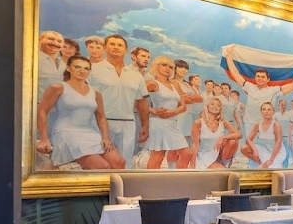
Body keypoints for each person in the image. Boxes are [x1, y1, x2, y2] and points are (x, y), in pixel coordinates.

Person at [36, 55, 124, 170]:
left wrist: (106, 137)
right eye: (77, 67)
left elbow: (101, 116)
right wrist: (44, 138)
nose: (82, 71)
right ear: (68, 68)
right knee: (103, 166)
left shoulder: (95, 92)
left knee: (120, 162)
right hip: (67, 133)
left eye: (86, 68)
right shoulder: (58, 87)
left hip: (90, 133)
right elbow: (42, 111)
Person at [88, 34, 149, 169]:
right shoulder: (93, 69)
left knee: (125, 163)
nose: (116, 47)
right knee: (102, 163)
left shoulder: (136, 75)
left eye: (120, 45)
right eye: (112, 44)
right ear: (105, 48)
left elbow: (141, 102)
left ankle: (123, 184)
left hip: (128, 124)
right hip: (100, 123)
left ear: (126, 50)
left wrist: (145, 125)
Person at [223, 47, 293, 138]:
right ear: (255, 78)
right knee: (249, 146)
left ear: (268, 79)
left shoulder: (274, 90)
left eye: (263, 77)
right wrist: (228, 55)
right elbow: (235, 73)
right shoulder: (249, 87)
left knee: (263, 146)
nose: (260, 78)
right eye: (258, 76)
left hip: (265, 125)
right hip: (249, 124)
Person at [143, 56, 189, 169]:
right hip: (158, 123)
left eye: (171, 67)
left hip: (172, 123)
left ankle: (177, 178)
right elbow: (136, 100)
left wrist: (173, 112)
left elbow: (183, 106)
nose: (168, 68)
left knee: (187, 154)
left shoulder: (175, 84)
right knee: (158, 154)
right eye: (164, 65)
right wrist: (153, 111)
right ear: (156, 66)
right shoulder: (152, 83)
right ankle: (150, 179)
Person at [189, 96, 240, 169]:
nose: (215, 106)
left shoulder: (223, 122)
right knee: (222, 171)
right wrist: (192, 164)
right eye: (212, 104)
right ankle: (220, 167)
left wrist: (223, 137)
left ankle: (224, 163)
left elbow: (239, 134)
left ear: (220, 109)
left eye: (218, 105)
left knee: (232, 141)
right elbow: (195, 144)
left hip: (220, 154)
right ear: (207, 106)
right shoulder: (198, 122)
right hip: (205, 155)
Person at [242, 101, 285, 168]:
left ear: (273, 112)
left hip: (277, 153)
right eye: (264, 109)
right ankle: (260, 162)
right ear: (261, 111)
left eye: (269, 109)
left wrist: (271, 160)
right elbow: (248, 139)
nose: (266, 112)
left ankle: (268, 164)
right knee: (244, 148)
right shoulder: (258, 125)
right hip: (265, 150)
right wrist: (254, 150)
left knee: (269, 169)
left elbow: (279, 143)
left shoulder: (276, 125)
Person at [173, 63, 202, 146]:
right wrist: (193, 98)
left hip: (188, 114)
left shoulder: (186, 84)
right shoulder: (173, 81)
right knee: (177, 141)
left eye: (186, 68)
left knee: (185, 140)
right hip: (179, 114)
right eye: (180, 67)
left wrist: (190, 98)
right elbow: (183, 99)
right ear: (175, 68)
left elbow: (200, 99)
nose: (183, 70)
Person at [37, 30, 65, 99]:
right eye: (51, 39)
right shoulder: (34, 59)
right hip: (38, 103)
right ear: (40, 40)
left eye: (59, 41)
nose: (55, 43)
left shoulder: (62, 63)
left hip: (59, 103)